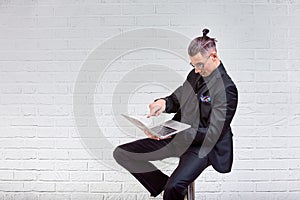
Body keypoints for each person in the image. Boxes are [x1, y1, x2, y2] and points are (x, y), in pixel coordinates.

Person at [113, 28, 238, 200]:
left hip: (203, 147)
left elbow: (212, 134)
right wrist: (163, 103)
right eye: (193, 65)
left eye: (199, 65)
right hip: (179, 136)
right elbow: (179, 96)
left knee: (174, 187)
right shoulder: (195, 75)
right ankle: (170, 190)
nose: (195, 70)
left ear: (214, 57)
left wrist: (175, 132)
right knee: (123, 153)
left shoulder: (227, 89)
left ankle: (173, 191)